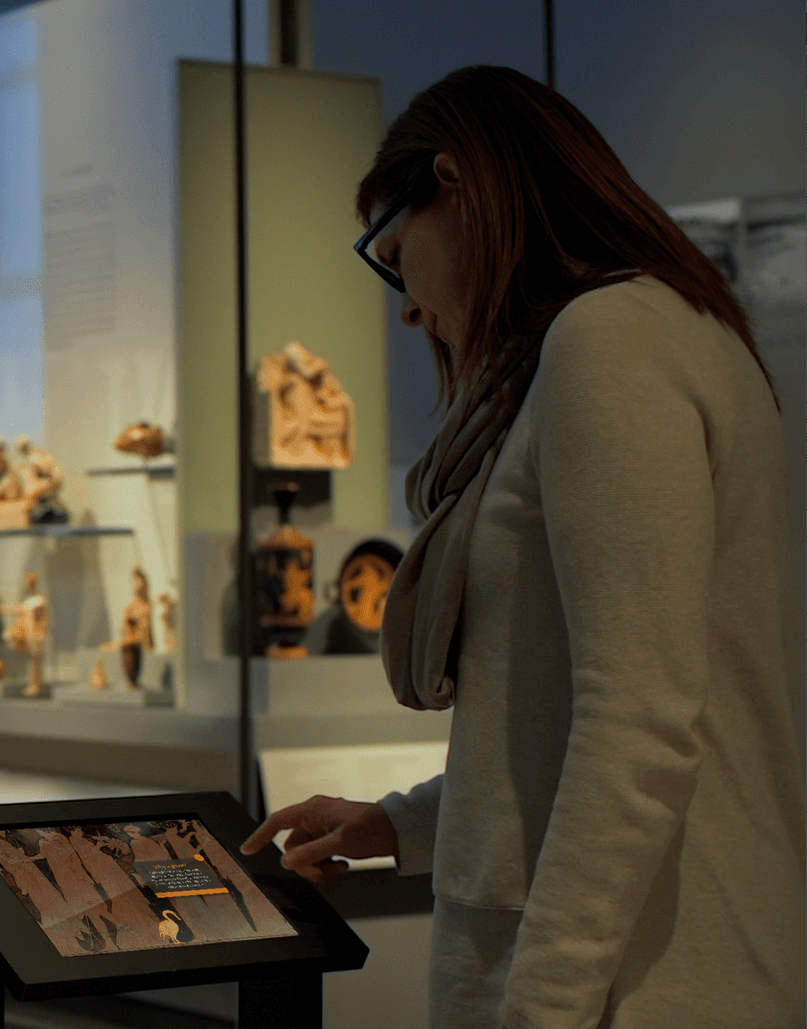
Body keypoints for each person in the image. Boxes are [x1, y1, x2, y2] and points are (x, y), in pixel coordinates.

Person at [241, 65, 803, 1029]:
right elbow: (562, 714)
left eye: (391, 248)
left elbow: (638, 729)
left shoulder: (609, 341)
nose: (408, 305)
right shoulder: (639, 338)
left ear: (455, 184)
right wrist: (401, 821)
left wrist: (541, 1008)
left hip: (637, 988)